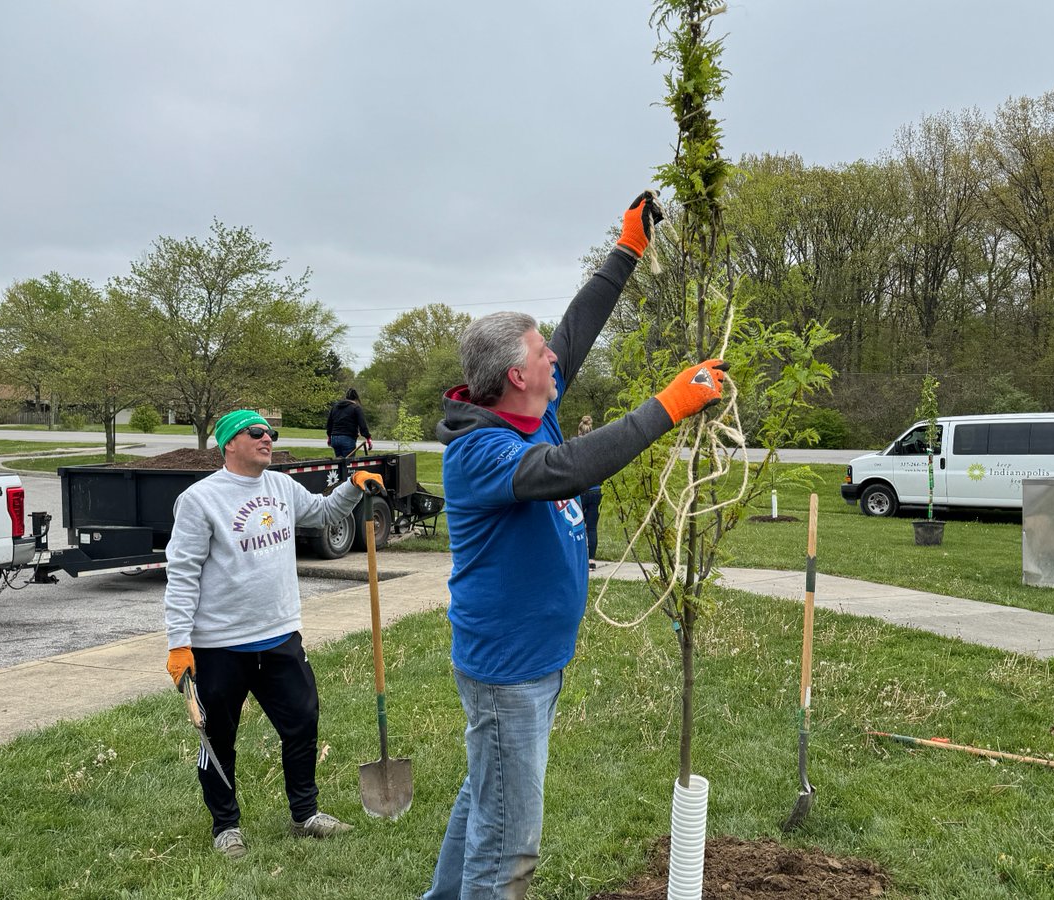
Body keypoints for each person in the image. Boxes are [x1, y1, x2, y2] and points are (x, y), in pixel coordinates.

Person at [425, 190, 728, 898]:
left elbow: (578, 330)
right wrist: (669, 405)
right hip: (509, 673)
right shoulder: (480, 452)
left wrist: (626, 250)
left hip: (532, 663)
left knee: (485, 799)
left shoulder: (534, 407)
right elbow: (569, 470)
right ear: (515, 377)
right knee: (507, 852)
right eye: (540, 355)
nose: (554, 359)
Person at [163, 408, 385, 859]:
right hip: (220, 643)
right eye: (256, 433)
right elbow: (182, 574)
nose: (268, 438)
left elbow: (321, 514)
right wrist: (178, 643)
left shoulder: (281, 485)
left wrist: (351, 486)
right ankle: (226, 826)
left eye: (271, 433)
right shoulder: (200, 500)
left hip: (281, 635)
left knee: (302, 722)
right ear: (229, 443)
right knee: (217, 738)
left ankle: (305, 814)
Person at [577, 415, 602, 569]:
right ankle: (591, 560)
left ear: (579, 432)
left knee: (578, 527)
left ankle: (579, 558)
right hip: (596, 490)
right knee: (591, 527)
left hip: (580, 491)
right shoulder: (597, 449)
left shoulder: (574, 448)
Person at [325, 388, 372, 458]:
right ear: (355, 399)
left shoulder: (335, 407)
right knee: (348, 464)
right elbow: (362, 425)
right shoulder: (355, 408)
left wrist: (329, 437)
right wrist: (368, 438)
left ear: (346, 397)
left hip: (334, 438)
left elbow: (329, 424)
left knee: (339, 463)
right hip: (348, 439)